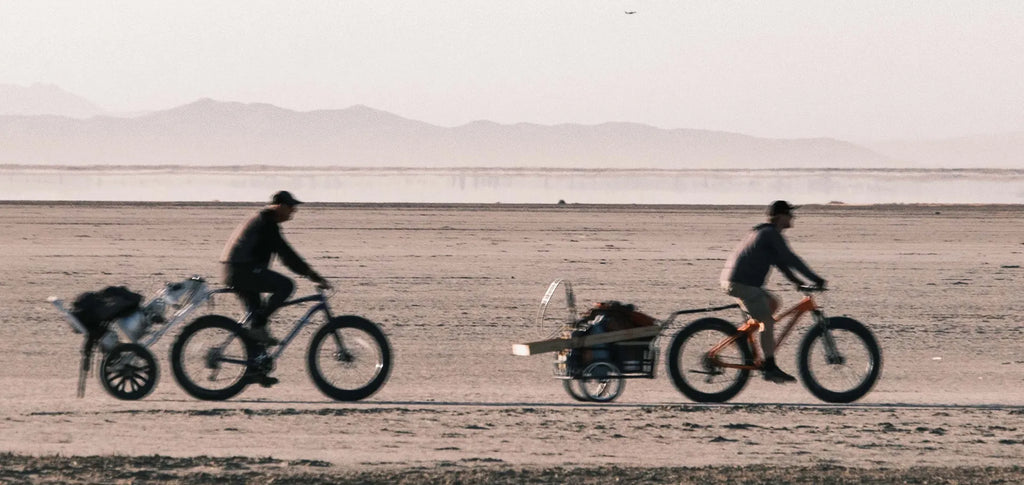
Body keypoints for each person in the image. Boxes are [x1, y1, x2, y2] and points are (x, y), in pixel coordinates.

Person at [221, 190, 331, 385]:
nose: (293, 212)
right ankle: (259, 328)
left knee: (256, 320)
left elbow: (285, 255)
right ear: (279, 206)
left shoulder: (266, 222)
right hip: (242, 270)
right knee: (286, 286)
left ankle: (255, 369)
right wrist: (312, 275)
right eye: (291, 207)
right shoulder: (266, 224)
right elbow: (287, 255)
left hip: (237, 270)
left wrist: (310, 273)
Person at [720, 200, 826, 384]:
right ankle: (769, 367)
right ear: (780, 216)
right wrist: (815, 278)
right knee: (766, 321)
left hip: (739, 281)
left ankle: (743, 339)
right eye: (789, 214)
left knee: (773, 303)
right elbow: (791, 259)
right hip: (741, 283)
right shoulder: (770, 234)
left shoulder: (766, 233)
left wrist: (798, 283)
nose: (792, 217)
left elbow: (781, 263)